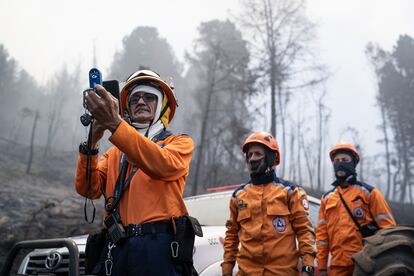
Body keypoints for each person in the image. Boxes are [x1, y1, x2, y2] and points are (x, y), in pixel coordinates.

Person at [75, 69, 194, 275]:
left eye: (149, 97)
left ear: (161, 105)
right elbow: (88, 189)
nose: (141, 102)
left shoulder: (178, 143)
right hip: (116, 245)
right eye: (134, 98)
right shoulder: (114, 153)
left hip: (157, 247)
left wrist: (115, 124)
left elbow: (163, 164)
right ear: (127, 108)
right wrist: (92, 142)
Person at [221, 131, 315, 276]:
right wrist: (226, 269)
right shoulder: (238, 196)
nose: (252, 159)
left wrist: (308, 266)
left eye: (258, 153)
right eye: (249, 155)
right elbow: (232, 236)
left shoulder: (290, 192)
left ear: (271, 157)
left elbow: (304, 231)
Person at [316, 142, 396, 276]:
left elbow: (389, 231)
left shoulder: (369, 193)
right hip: (338, 267)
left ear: (353, 163)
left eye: (345, 160)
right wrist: (322, 268)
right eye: (336, 161)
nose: (340, 163)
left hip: (367, 265)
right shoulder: (327, 198)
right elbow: (322, 237)